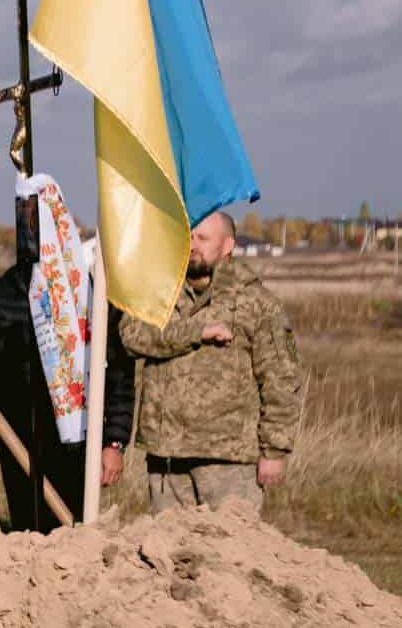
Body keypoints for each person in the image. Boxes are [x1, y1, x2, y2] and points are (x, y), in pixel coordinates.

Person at [0, 195, 133, 533]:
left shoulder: (91, 297)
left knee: (74, 532)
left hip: (78, 439)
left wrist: (114, 441)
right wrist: (28, 334)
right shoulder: (1, 292)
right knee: (28, 531)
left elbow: (118, 374)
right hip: (18, 435)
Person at [119, 210, 301, 515]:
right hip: (167, 456)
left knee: (229, 543)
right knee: (168, 543)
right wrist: (196, 332)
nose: (192, 245)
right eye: (189, 237)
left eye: (203, 238)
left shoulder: (255, 302)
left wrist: (274, 450)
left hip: (228, 460)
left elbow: (281, 379)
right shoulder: (162, 293)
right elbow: (132, 336)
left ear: (227, 245)